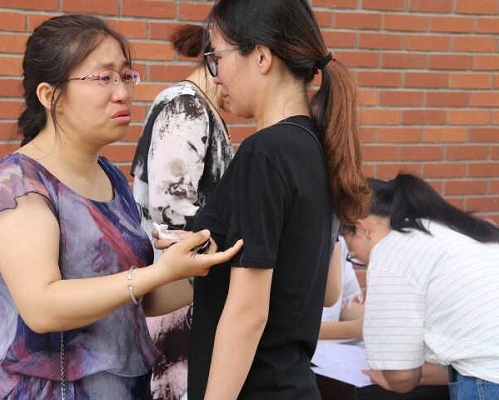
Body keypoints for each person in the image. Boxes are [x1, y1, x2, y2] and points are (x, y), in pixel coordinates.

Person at [0, 14, 242, 400]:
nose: (122, 93)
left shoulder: (110, 177)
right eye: (104, 78)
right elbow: (42, 307)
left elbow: (138, 301)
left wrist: (201, 268)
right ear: (50, 96)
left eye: (126, 76)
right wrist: (154, 274)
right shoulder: (19, 184)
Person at [179, 0, 372, 398]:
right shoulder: (316, 148)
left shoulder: (265, 153)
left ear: (262, 57)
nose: (215, 75)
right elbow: (315, 286)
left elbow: (248, 313)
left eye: (217, 58)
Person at [131, 23, 234, 400]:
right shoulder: (185, 106)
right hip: (175, 296)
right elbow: (171, 211)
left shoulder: (198, 107)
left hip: (183, 289)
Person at [340, 173, 499, 400]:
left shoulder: (392, 250)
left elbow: (401, 376)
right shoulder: (455, 230)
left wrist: (392, 376)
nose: (360, 260)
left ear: (362, 228)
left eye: (352, 252)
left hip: (487, 382)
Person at [319, 237, 364, 341]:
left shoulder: (339, 242)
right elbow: (298, 328)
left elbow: (344, 305)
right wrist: (358, 329)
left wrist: (378, 317)